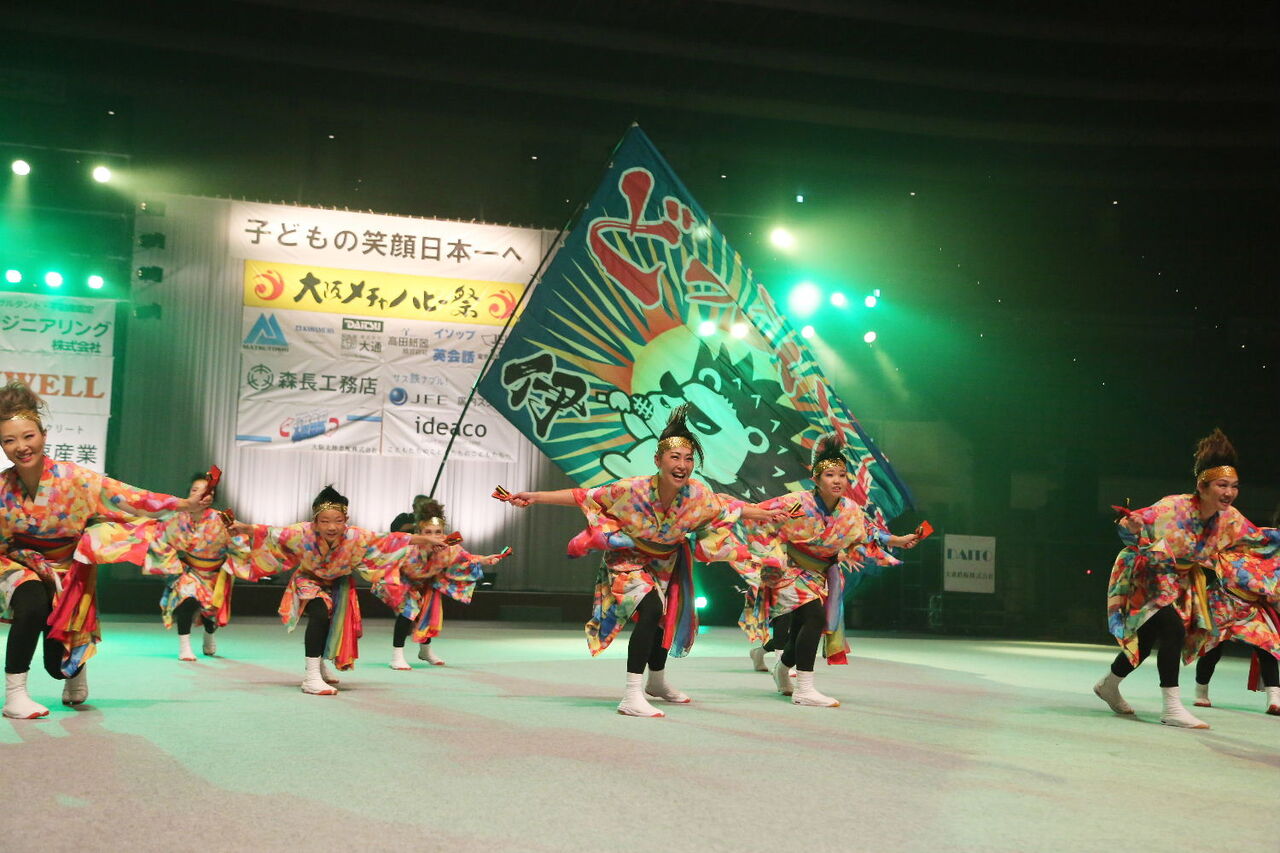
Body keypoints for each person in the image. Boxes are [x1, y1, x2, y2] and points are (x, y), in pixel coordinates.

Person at [495, 406, 785, 718]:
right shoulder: (631, 489)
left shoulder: (698, 494)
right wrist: (535, 496)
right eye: (675, 457)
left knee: (666, 617)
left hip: (667, 563)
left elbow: (730, 509)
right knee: (652, 610)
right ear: (658, 460)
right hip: (628, 560)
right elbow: (584, 496)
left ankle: (656, 682)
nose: (682, 465)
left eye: (689, 459)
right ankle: (631, 694)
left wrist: (765, 513)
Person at [0, 382, 211, 719]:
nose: (21, 447)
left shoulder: (77, 480)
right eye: (9, 441)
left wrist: (185, 504)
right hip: (17, 563)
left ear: (43, 435)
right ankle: (15, 696)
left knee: (58, 666)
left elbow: (131, 497)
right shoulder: (2, 487)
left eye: (28, 436)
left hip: (67, 569)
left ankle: (75, 669)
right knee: (31, 603)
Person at [1095, 429, 1278, 728]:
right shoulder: (1173, 508)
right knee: (1173, 630)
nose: (1229, 492)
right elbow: (1132, 527)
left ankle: (1109, 685)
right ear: (1202, 486)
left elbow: (1259, 540)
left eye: (1234, 486)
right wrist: (1131, 525)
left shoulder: (1230, 518)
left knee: (1146, 641)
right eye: (1222, 485)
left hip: (1178, 581)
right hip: (1148, 573)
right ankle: (1171, 708)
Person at [738, 433, 918, 706]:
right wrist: (728, 517)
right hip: (790, 569)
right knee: (814, 618)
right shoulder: (798, 503)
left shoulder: (850, 510)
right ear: (816, 479)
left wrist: (899, 540)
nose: (837, 481)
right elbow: (762, 514)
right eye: (830, 475)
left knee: (804, 627)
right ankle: (804, 690)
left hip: (820, 574)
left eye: (842, 475)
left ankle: (782, 669)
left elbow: (870, 532)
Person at [231, 485, 443, 695]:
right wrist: (243, 528)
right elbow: (270, 532)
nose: (332, 527)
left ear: (346, 519)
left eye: (338, 521)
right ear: (315, 521)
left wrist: (427, 539)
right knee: (320, 613)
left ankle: (319, 666)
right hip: (308, 580)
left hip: (339, 585)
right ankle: (311, 677)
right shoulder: (301, 532)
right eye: (325, 521)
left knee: (330, 624)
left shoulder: (356, 536)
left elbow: (392, 540)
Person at [372, 498, 510, 670]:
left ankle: (425, 651)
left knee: (428, 615)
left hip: (428, 583)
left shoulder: (449, 544)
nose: (434, 536)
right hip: (405, 582)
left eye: (438, 532)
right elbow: (395, 562)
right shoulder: (410, 544)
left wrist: (485, 559)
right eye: (428, 532)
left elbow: (466, 557)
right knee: (409, 612)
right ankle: (397, 656)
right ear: (420, 532)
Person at [1192, 500, 1280, 715]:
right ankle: (1201, 691)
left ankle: (1274, 699)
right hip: (1221, 602)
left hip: (1251, 608)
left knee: (1267, 647)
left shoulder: (1272, 543)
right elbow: (1202, 551)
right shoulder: (1230, 544)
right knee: (1212, 649)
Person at [152, 472, 250, 661]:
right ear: (189, 494)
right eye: (195, 490)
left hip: (215, 573)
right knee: (187, 599)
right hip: (189, 570)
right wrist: (169, 565)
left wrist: (236, 563)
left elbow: (239, 544)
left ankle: (209, 635)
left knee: (210, 613)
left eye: (207, 492)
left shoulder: (222, 519)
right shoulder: (178, 518)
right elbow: (161, 539)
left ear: (212, 497)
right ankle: (185, 647)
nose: (200, 495)